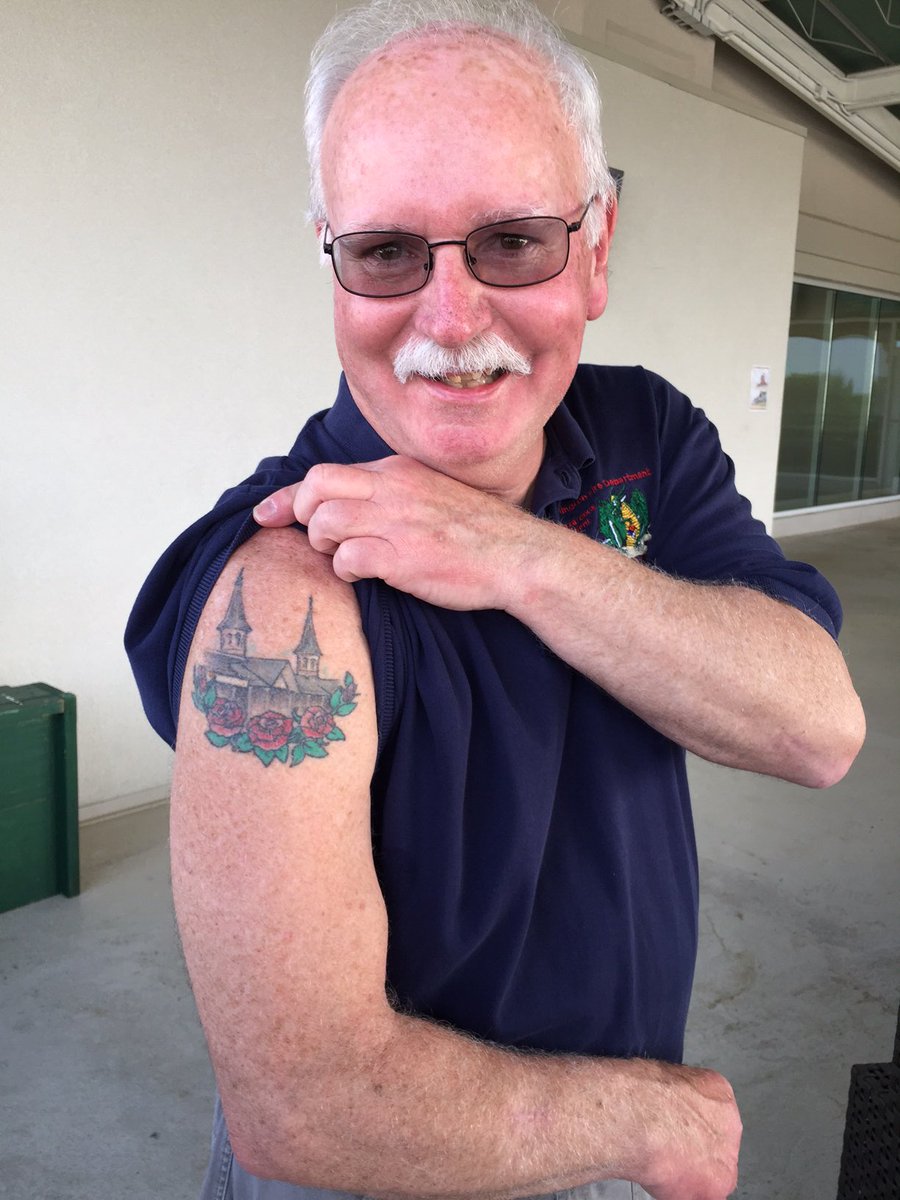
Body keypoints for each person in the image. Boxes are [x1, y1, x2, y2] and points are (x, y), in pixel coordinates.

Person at [125, 2, 865, 1197]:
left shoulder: (642, 440)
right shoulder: (280, 593)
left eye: (513, 241)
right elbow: (303, 1105)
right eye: (387, 253)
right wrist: (644, 1122)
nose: (451, 319)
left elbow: (816, 725)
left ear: (599, 247)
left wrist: (520, 557)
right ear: (333, 260)